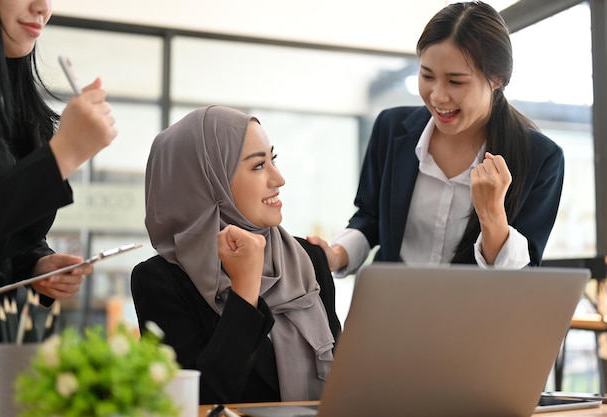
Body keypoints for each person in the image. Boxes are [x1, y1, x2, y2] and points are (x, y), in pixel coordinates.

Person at [307, 1, 564, 275]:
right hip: (392, 308)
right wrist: (335, 256)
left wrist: (492, 217)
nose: (438, 96)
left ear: (497, 78)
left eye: (456, 81)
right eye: (427, 75)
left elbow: (525, 279)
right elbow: (370, 218)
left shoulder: (540, 158)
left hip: (472, 315)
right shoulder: (391, 128)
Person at [131, 105, 341, 405]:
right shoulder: (160, 280)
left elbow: (344, 378)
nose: (278, 179)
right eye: (258, 166)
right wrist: (244, 291)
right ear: (207, 183)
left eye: (273, 160)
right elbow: (195, 401)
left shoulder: (309, 258)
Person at [0, 0, 117, 410]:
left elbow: (6, 232)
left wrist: (35, 263)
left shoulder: (8, 102)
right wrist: (61, 155)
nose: (43, 7)